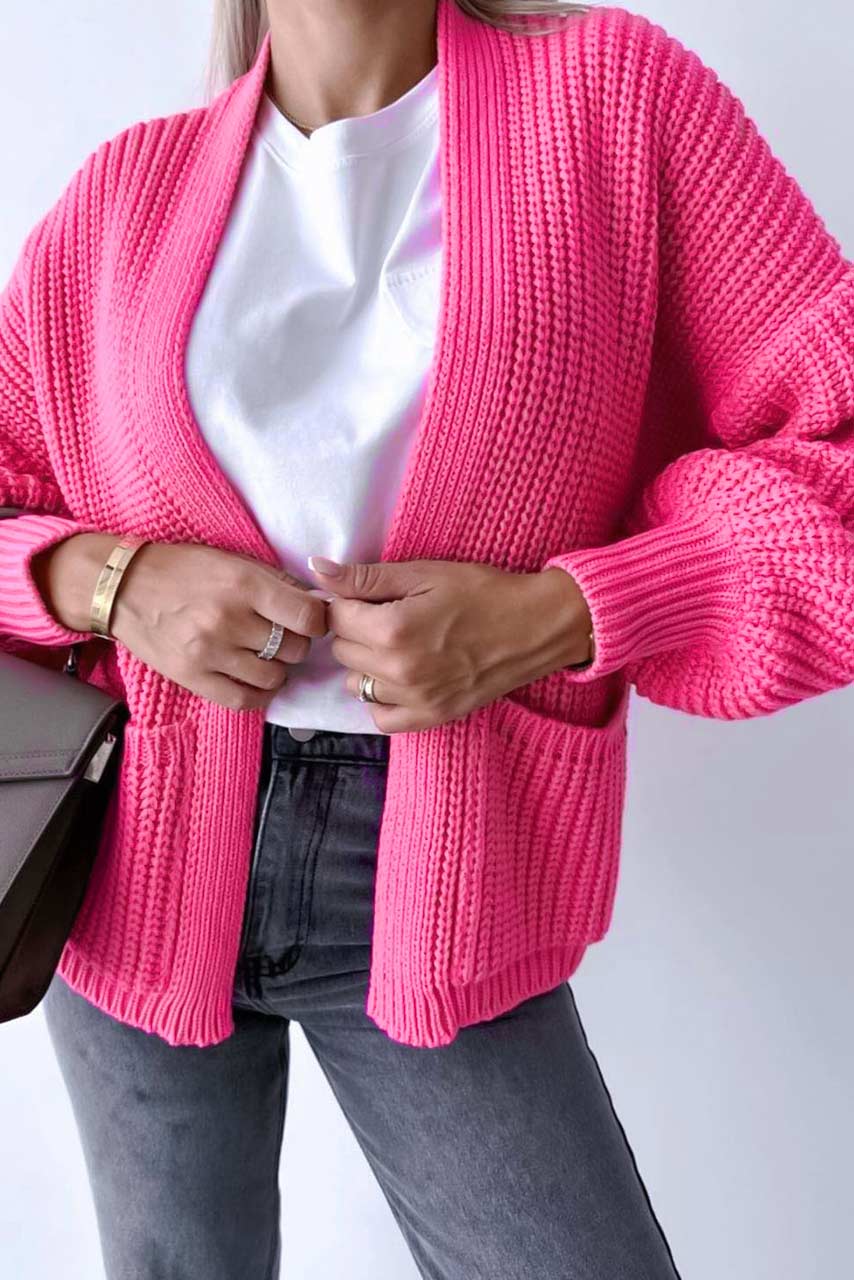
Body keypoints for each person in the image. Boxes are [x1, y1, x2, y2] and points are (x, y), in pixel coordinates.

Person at [2, 0, 852, 1276]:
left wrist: (560, 614)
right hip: (130, 852)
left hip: (435, 872)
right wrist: (110, 581)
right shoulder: (126, 194)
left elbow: (835, 447)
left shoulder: (612, 105)